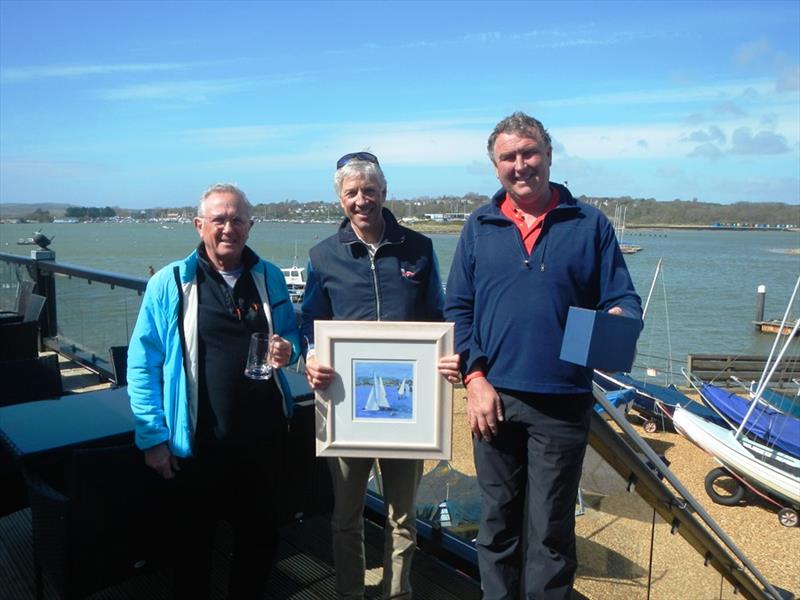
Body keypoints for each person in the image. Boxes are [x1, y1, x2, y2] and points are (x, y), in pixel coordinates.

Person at [444, 112, 642, 599]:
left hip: (563, 401)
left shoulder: (589, 223)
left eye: (528, 153)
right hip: (493, 400)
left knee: (551, 533)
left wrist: (618, 317)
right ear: (495, 167)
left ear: (549, 156)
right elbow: (458, 308)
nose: (520, 165)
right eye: (508, 157)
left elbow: (622, 297)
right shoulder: (479, 225)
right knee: (497, 526)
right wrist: (475, 379)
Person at [127, 183, 301, 600]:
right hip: (198, 450)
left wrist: (288, 349)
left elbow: (293, 336)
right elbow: (142, 365)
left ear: (250, 225)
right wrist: (153, 439)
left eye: (237, 219)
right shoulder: (169, 283)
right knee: (191, 557)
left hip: (262, 444)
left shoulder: (270, 277)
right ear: (199, 225)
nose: (229, 228)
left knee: (259, 550)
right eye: (219, 219)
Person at [301, 152, 460, 600]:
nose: (361, 200)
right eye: (351, 193)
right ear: (339, 199)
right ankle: (349, 594)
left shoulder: (419, 248)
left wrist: (450, 355)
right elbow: (309, 321)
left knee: (402, 517)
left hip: (410, 409)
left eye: (369, 190)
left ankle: (398, 593)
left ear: (384, 193)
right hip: (345, 405)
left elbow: (440, 316)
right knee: (345, 517)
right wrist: (311, 356)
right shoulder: (322, 256)